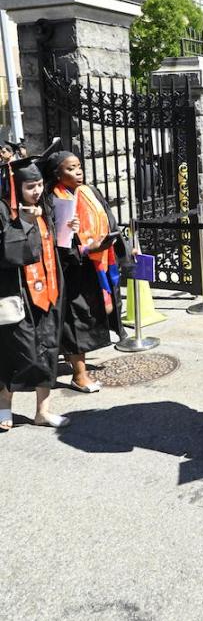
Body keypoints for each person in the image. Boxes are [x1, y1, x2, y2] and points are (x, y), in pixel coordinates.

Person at [44, 150, 129, 394]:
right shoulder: (53, 200)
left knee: (90, 316)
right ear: (57, 174)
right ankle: (79, 375)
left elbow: (109, 221)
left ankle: (76, 367)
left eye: (79, 166)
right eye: (70, 169)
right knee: (76, 320)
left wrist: (119, 246)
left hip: (97, 264)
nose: (78, 172)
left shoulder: (90, 191)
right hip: (71, 269)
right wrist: (84, 248)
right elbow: (54, 241)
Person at [0, 155, 73, 430]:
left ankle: (43, 411)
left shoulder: (45, 208)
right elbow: (10, 254)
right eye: (30, 186)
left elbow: (54, 249)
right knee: (14, 353)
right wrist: (24, 223)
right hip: (18, 294)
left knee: (48, 351)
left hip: (49, 290)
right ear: (16, 187)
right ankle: (4, 406)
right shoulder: (4, 211)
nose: (37, 191)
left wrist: (69, 232)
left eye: (40, 184)